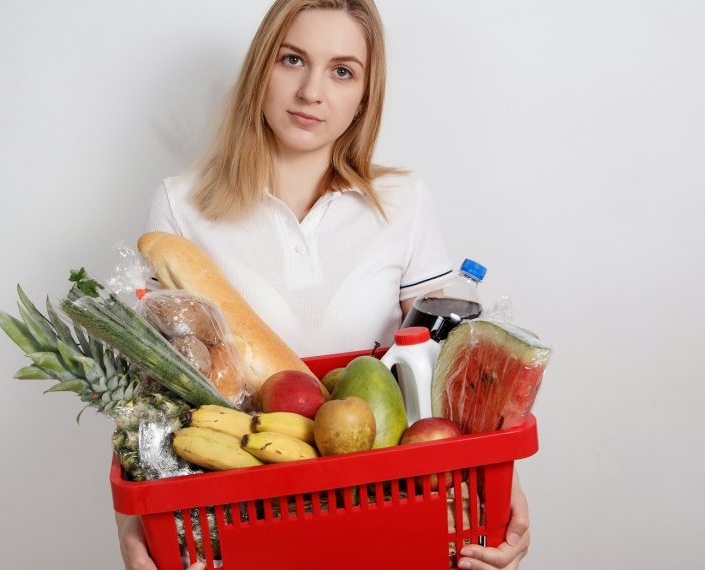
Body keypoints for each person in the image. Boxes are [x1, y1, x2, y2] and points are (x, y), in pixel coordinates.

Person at [118, 1, 531, 568]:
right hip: (243, 528)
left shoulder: (404, 203)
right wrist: (133, 530)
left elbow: (447, 383)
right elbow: (147, 392)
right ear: (262, 67)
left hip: (392, 516)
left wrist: (500, 492)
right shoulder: (182, 207)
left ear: (366, 93)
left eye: (342, 70)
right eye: (292, 59)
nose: (312, 91)